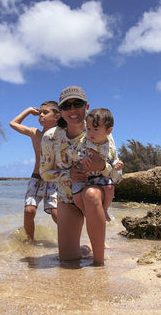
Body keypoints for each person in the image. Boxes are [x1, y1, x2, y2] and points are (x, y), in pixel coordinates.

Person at [40, 86, 117, 266]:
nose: (72, 110)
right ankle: (89, 246)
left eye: (77, 104)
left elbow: (117, 174)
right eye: (67, 106)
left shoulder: (101, 131)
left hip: (93, 195)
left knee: (91, 194)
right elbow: (44, 174)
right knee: (68, 260)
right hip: (67, 198)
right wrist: (69, 174)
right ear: (60, 112)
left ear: (86, 107)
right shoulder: (50, 138)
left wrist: (103, 166)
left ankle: (99, 263)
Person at [9, 102, 61, 243]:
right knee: (29, 211)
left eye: (45, 113)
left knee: (56, 214)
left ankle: (68, 239)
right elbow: (13, 123)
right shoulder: (35, 133)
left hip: (54, 179)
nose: (41, 116)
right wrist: (28, 110)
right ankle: (30, 241)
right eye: (40, 113)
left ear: (57, 116)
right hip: (36, 177)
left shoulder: (62, 135)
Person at [72, 108, 123, 222]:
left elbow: (112, 159)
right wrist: (81, 157)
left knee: (110, 187)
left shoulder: (109, 145)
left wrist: (117, 165)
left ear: (108, 131)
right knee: (76, 197)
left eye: (95, 129)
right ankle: (86, 213)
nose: (90, 133)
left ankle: (104, 209)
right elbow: (72, 151)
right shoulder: (84, 141)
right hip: (84, 178)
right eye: (88, 129)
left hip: (100, 177)